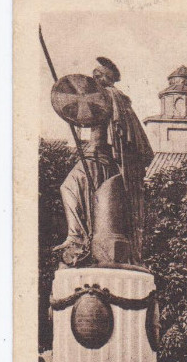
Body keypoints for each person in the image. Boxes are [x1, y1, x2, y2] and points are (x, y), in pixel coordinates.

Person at [55, 57, 153, 267]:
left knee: (69, 187)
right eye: (94, 73)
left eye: (99, 74)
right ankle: (81, 238)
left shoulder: (109, 97)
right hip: (94, 156)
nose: (94, 76)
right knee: (84, 197)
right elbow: (81, 115)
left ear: (109, 79)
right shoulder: (103, 98)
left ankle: (76, 237)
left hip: (99, 158)